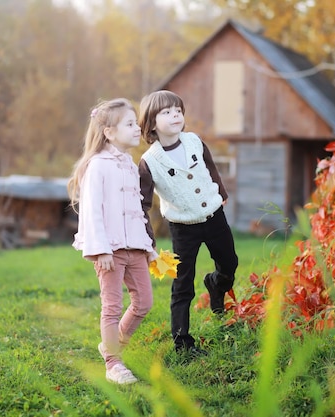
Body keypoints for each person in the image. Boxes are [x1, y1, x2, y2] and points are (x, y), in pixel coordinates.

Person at [138, 90, 239, 357]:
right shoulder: (149, 161)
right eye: (166, 112)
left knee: (229, 264)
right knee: (182, 283)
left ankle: (216, 284)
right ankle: (183, 342)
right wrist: (146, 238)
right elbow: (143, 203)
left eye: (178, 110)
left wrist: (221, 194)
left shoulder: (194, 141)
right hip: (183, 228)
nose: (175, 115)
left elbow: (211, 169)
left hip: (215, 217)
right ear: (151, 123)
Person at [67, 98, 157, 384]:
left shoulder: (130, 166)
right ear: (109, 132)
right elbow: (92, 211)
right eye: (130, 124)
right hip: (110, 251)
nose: (137, 128)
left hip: (136, 248)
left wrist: (148, 247)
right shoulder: (98, 166)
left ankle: (111, 345)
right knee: (112, 307)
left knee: (144, 302)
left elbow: (136, 212)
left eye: (136, 123)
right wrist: (101, 249)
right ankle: (113, 363)